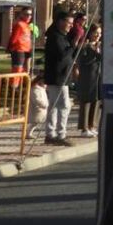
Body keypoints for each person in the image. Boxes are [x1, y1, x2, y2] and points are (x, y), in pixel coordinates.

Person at [43, 11, 76, 146]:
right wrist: (73, 46)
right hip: (57, 76)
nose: (71, 26)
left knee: (57, 105)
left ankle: (52, 133)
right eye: (69, 23)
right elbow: (62, 55)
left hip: (63, 76)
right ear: (61, 22)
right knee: (62, 105)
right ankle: (59, 134)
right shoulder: (55, 37)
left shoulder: (63, 36)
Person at [75, 23, 103, 137]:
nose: (98, 35)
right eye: (96, 33)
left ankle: (92, 125)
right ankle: (84, 127)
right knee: (87, 100)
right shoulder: (85, 46)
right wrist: (95, 51)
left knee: (96, 100)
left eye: (99, 33)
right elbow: (83, 60)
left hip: (98, 75)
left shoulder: (100, 45)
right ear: (90, 33)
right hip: (88, 76)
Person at [9, 7, 35, 74]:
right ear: (21, 14)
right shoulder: (19, 24)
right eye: (26, 14)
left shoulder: (27, 25)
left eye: (30, 14)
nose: (29, 16)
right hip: (19, 50)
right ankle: (15, 81)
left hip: (27, 49)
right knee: (18, 70)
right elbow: (13, 38)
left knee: (26, 71)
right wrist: (11, 48)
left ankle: (24, 80)